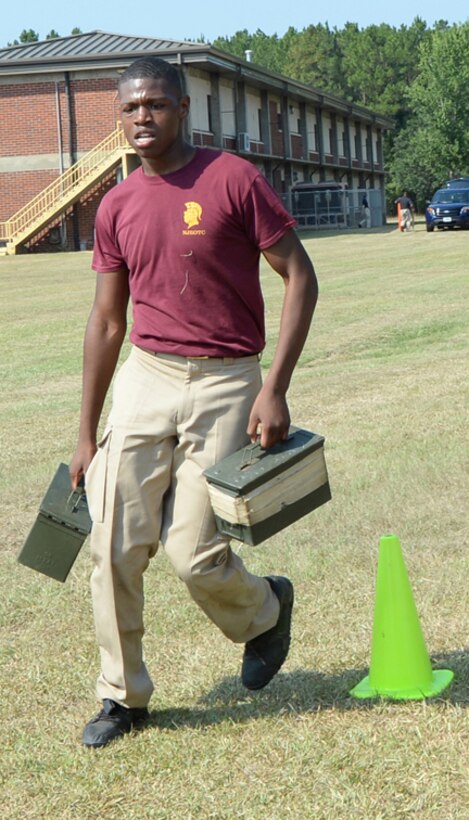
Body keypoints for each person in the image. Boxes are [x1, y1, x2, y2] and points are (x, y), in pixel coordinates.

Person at [69, 56, 318, 749]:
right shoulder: (116, 205)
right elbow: (108, 322)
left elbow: (299, 276)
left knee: (193, 553)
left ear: (183, 107)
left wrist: (274, 386)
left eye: (154, 103)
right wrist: (85, 433)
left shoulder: (233, 179)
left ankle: (264, 612)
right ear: (118, 119)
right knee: (113, 544)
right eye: (129, 108)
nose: (141, 117)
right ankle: (123, 698)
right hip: (145, 378)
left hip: (227, 379)